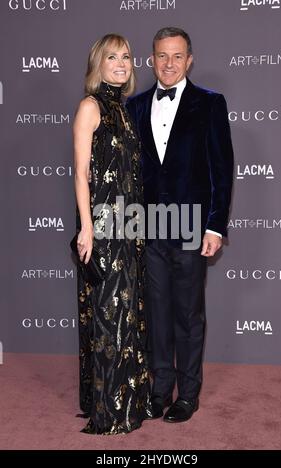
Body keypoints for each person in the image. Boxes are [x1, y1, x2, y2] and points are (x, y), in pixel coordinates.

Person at [127, 27, 234, 423]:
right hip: (147, 225)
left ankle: (188, 395)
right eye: (161, 56)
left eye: (177, 56)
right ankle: (159, 392)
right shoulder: (134, 106)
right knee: (156, 314)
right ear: (151, 59)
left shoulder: (209, 104)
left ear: (189, 60)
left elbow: (222, 171)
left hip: (191, 225)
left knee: (188, 315)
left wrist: (215, 226)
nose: (169, 64)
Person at [73, 33, 152, 435]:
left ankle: (130, 398)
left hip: (129, 227)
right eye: (112, 57)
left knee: (130, 314)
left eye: (126, 57)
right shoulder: (90, 107)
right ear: (97, 65)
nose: (121, 63)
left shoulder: (124, 110)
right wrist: (87, 228)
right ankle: (109, 409)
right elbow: (81, 174)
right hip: (103, 228)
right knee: (108, 316)